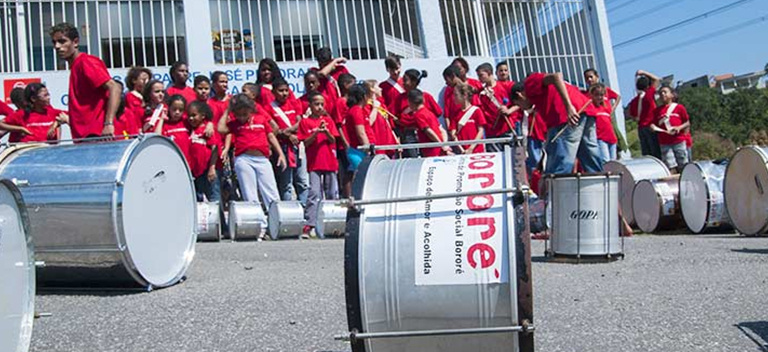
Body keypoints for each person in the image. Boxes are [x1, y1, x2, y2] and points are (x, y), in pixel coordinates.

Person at [218, 94, 286, 240]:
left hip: (262, 159)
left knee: (271, 192)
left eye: (245, 113)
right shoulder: (235, 124)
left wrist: (280, 154)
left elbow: (271, 136)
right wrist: (228, 110)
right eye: (239, 114)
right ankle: (259, 227)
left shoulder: (261, 119)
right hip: (244, 160)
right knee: (250, 194)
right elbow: (221, 128)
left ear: (251, 110)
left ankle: (278, 224)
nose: (242, 117)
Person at [510, 72, 601, 175]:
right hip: (585, 109)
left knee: (561, 159)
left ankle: (559, 188)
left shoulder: (530, 84)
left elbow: (556, 76)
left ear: (519, 95)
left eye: (519, 104)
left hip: (566, 117)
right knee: (589, 154)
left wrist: (568, 107)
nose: (522, 108)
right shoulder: (538, 98)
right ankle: (599, 183)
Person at [50, 22, 121, 139]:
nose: (57, 46)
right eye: (54, 42)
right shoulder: (76, 66)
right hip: (84, 137)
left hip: (97, 135)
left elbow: (115, 87)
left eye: (62, 41)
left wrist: (108, 123)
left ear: (76, 42)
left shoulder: (85, 62)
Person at [297, 91, 340, 238]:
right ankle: (310, 224)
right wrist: (315, 133)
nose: (320, 107)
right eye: (316, 104)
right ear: (310, 105)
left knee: (331, 192)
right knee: (314, 192)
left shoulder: (328, 120)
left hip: (329, 162)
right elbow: (305, 142)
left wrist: (326, 131)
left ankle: (332, 222)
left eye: (322, 104)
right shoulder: (305, 122)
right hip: (314, 163)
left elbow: (333, 140)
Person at [266, 78, 309, 205]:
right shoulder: (269, 108)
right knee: (286, 182)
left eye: (286, 90)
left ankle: (305, 209)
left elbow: (299, 122)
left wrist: (288, 132)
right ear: (273, 92)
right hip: (282, 147)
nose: (284, 93)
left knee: (302, 180)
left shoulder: (294, 103)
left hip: (297, 145)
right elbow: (272, 128)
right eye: (280, 91)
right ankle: (288, 211)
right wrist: (286, 135)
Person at [0, 83, 65, 143]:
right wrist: (20, 129)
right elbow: (2, 124)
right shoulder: (21, 114)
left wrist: (55, 125)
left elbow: (67, 117)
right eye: (45, 95)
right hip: (26, 150)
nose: (48, 98)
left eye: (48, 95)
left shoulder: (50, 110)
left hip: (49, 150)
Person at [476, 62, 519, 152]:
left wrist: (508, 110)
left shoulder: (506, 86)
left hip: (507, 127)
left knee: (512, 157)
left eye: (481, 75)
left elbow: (519, 103)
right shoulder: (480, 93)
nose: (479, 78)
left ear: (489, 73)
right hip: (491, 131)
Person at [187, 101, 220, 202]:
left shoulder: (207, 130)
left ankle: (218, 217)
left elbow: (215, 149)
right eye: (189, 116)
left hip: (207, 170)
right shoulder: (189, 129)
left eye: (194, 115)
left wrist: (212, 168)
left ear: (202, 116)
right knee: (197, 197)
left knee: (214, 197)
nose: (191, 118)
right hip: (195, 172)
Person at [654, 86, 690, 173]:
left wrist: (679, 128)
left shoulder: (679, 108)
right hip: (664, 142)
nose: (663, 94)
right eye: (661, 93)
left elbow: (687, 122)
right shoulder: (657, 111)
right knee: (669, 164)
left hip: (679, 140)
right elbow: (654, 124)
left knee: (683, 162)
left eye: (665, 92)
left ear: (671, 95)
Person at [628, 70, 662, 159]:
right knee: (656, 151)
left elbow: (633, 116)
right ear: (647, 85)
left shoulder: (634, 101)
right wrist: (643, 72)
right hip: (651, 125)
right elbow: (657, 79)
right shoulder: (649, 94)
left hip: (641, 128)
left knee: (646, 153)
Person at [411, 89, 451, 158]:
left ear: (411, 102)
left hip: (431, 151)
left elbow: (428, 131)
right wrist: (444, 144)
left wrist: (440, 144)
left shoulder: (418, 115)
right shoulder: (430, 113)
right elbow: (442, 130)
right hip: (440, 150)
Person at [344, 84, 375, 173]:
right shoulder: (356, 111)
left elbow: (368, 124)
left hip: (360, 151)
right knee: (362, 177)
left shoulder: (361, 110)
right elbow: (361, 133)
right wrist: (368, 149)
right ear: (364, 96)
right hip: (359, 151)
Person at [364, 80, 399, 157]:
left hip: (388, 141)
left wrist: (395, 139)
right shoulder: (367, 106)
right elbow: (369, 122)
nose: (381, 89)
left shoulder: (381, 105)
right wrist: (375, 108)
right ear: (372, 89)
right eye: (378, 87)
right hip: (378, 141)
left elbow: (387, 123)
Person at [585, 83, 618, 163]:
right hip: (600, 138)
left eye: (601, 95)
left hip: (611, 138)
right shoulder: (591, 108)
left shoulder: (606, 108)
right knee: (605, 160)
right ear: (592, 95)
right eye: (596, 95)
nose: (599, 97)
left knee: (613, 162)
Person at [155, 95, 192, 165]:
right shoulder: (165, 125)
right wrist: (162, 119)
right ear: (169, 108)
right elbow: (157, 137)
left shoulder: (186, 122)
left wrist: (209, 124)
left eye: (180, 110)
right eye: (174, 109)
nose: (177, 112)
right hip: (171, 162)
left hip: (187, 163)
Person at [451, 83, 486, 154]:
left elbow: (480, 131)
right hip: (462, 151)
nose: (454, 97)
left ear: (464, 96)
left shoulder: (476, 111)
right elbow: (453, 134)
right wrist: (461, 150)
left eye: (456, 95)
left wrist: (471, 148)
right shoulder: (455, 114)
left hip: (477, 150)